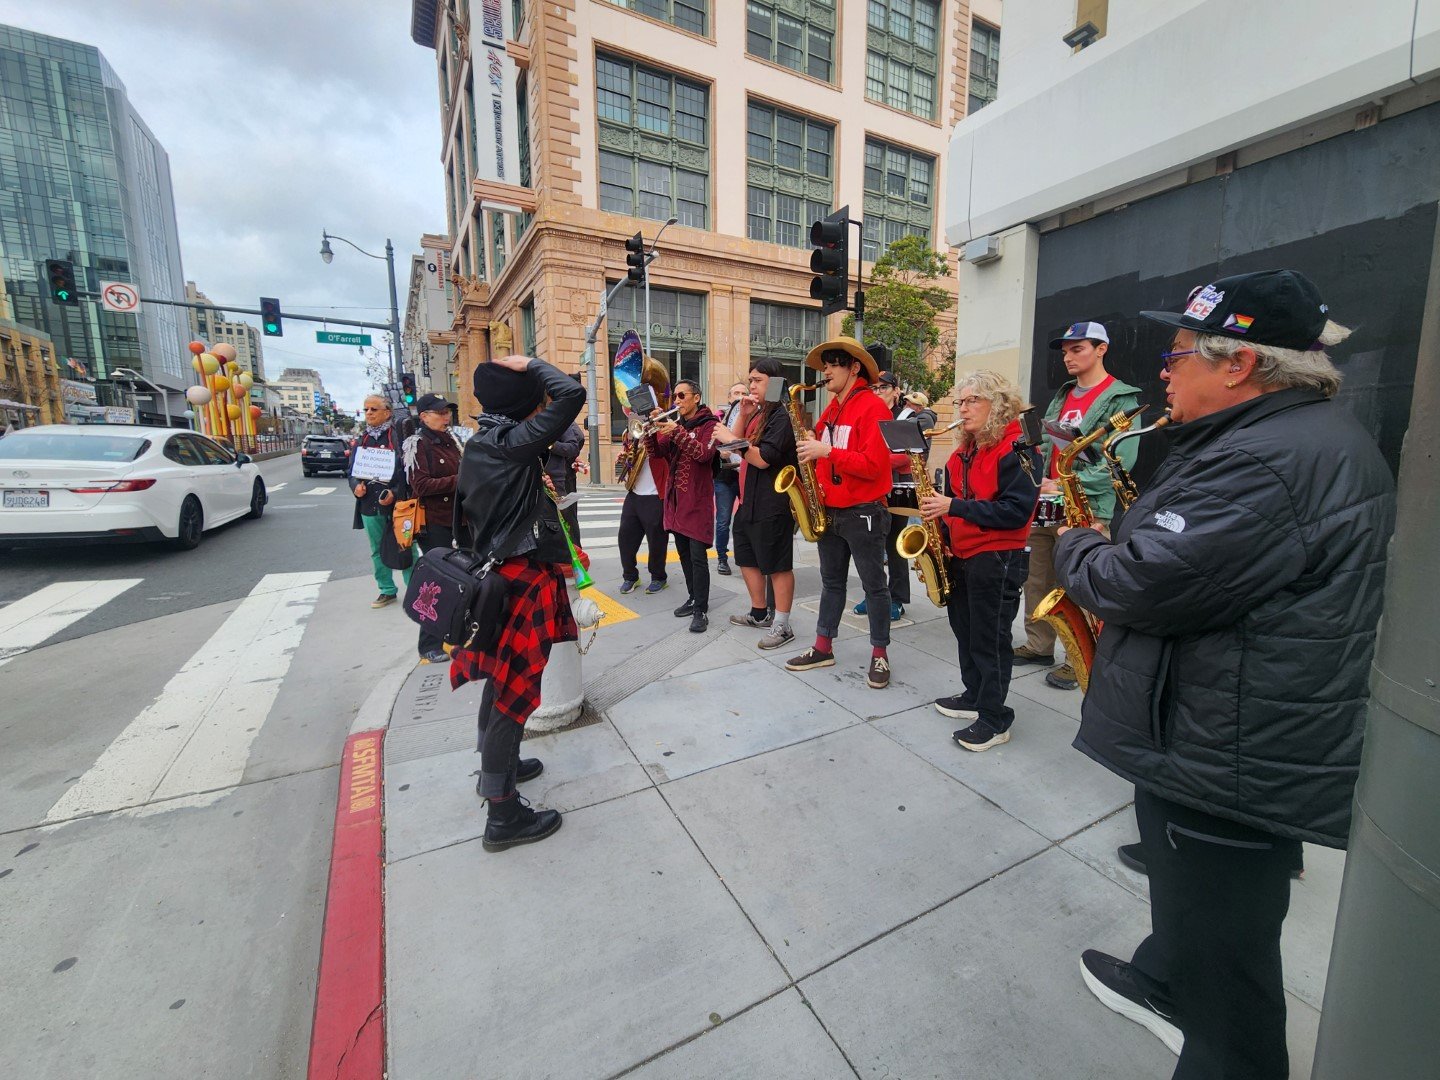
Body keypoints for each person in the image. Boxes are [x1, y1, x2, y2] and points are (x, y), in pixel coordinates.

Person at [1053, 270, 1394, 1078]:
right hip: (1225, 734)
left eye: (1176, 356)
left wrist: (1078, 543)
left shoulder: (1266, 462)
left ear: (1239, 364)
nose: (1164, 373)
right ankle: (1163, 978)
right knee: (1200, 916)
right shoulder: (1290, 439)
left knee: (1230, 991)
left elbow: (1136, 582)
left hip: (1225, 754)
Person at [451, 353, 587, 852]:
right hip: (521, 580)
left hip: (500, 576)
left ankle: (497, 766)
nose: (543, 405)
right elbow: (572, 394)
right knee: (515, 694)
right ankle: (503, 813)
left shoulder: (484, 439)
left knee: (500, 682)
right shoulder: (511, 443)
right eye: (536, 399)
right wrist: (531, 362)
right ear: (524, 403)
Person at [1014, 321, 1141, 690]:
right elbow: (1047, 443)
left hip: (1086, 506)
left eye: (1078, 348)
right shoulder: (1064, 394)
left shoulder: (1121, 399)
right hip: (1047, 501)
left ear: (1101, 349)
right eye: (1065, 351)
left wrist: (1069, 482)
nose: (1068, 357)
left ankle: (1080, 654)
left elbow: (1120, 459)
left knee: (1081, 581)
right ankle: (1039, 645)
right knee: (1037, 577)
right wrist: (1034, 472)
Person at [919, 373, 1040, 750]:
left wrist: (953, 507)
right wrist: (941, 537)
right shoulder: (962, 453)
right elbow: (953, 504)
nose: (963, 408)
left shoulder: (1019, 447)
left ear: (998, 404)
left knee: (991, 640)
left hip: (998, 558)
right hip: (963, 555)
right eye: (961, 402)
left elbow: (1016, 512)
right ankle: (974, 695)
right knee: (966, 633)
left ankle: (995, 718)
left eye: (973, 401)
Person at [784, 337, 894, 689]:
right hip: (830, 510)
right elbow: (819, 452)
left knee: (874, 586)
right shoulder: (831, 409)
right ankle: (822, 647)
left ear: (854, 367)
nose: (826, 371)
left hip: (864, 511)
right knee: (831, 583)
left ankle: (880, 654)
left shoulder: (874, 408)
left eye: (833, 364)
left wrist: (826, 451)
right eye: (825, 365)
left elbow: (874, 466)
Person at [711, 358, 797, 651]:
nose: (751, 386)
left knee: (777, 564)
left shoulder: (783, 415)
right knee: (747, 558)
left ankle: (782, 624)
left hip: (773, 502)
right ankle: (759, 613)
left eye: (757, 380)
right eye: (750, 380)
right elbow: (732, 449)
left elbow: (762, 459)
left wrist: (731, 438)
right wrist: (744, 416)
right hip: (748, 498)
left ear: (775, 382)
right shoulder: (759, 412)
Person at [642, 378, 717, 633]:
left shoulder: (710, 424)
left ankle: (701, 609)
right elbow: (657, 453)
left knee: (698, 558)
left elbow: (704, 454)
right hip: (677, 502)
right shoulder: (678, 425)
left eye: (681, 396)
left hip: (697, 501)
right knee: (684, 554)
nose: (677, 401)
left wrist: (676, 431)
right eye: (675, 396)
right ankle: (693, 597)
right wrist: (651, 430)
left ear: (696, 397)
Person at [864, 375, 940, 621]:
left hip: (897, 487)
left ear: (896, 391)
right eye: (874, 388)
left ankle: (896, 598)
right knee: (871, 545)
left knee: (895, 544)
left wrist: (873, 460)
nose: (878, 392)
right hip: (871, 486)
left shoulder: (904, 416)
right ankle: (873, 593)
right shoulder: (869, 415)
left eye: (883, 387)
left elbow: (910, 454)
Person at [403, 393, 463, 663]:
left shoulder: (453, 440)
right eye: (440, 413)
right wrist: (459, 480)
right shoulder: (417, 444)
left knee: (464, 580)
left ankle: (457, 634)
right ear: (424, 416)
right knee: (437, 582)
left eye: (447, 412)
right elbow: (421, 486)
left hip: (460, 519)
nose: (446, 417)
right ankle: (429, 643)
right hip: (435, 522)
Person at [348, 394, 415, 608]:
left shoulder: (399, 438)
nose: (368, 413)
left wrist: (394, 492)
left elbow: (409, 472)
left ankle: (414, 590)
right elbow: (352, 472)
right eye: (366, 409)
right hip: (370, 505)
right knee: (377, 549)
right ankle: (386, 590)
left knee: (406, 545)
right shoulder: (361, 440)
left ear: (387, 412)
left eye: (373, 409)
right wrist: (356, 487)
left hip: (399, 505)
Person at [615, 358, 671, 596]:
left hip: (655, 494)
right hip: (635, 493)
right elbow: (631, 457)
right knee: (625, 538)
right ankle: (630, 576)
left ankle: (659, 577)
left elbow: (663, 452)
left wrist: (656, 425)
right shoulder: (633, 428)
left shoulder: (664, 427)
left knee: (657, 541)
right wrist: (625, 457)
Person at [713, 382, 747, 577]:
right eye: (736, 393)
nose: (740, 396)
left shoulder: (753, 417)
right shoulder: (719, 419)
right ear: (729, 397)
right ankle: (722, 558)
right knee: (723, 520)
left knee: (747, 518)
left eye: (743, 393)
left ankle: (747, 556)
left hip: (746, 475)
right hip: (725, 477)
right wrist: (720, 453)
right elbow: (709, 447)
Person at [545, 420, 586, 545]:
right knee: (565, 518)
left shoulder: (560, 418)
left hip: (559, 478)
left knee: (565, 519)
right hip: (556, 475)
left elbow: (576, 442)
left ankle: (574, 551)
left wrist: (551, 445)